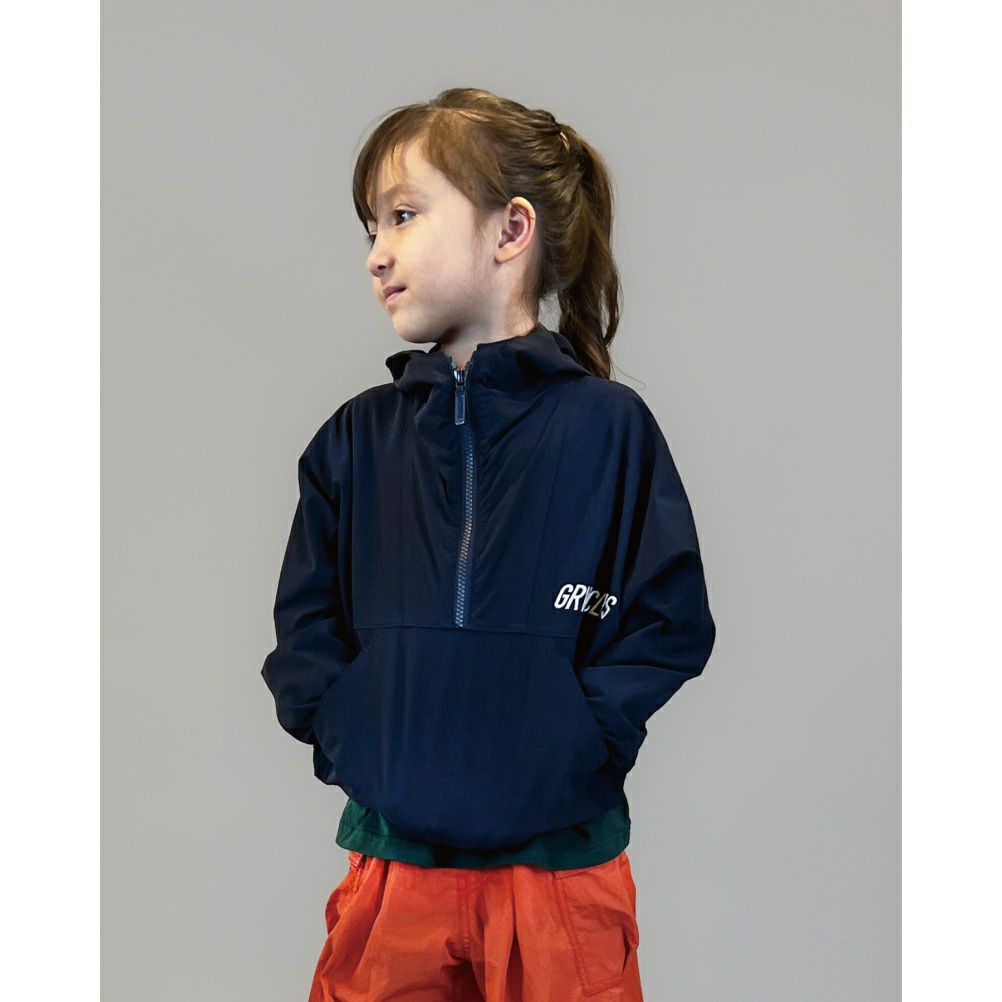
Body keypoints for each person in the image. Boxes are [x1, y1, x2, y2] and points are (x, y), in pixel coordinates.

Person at [261, 87, 717, 1002]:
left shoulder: (608, 429)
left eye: (402, 215)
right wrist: (354, 737)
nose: (376, 253)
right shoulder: (354, 441)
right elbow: (305, 632)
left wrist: (582, 736)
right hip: (393, 872)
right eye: (370, 228)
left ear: (511, 231)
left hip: (559, 878)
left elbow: (667, 619)